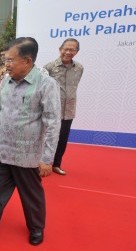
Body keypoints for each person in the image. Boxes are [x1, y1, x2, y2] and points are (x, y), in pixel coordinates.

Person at [0, 37, 61, 245]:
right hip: (3, 150)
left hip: (27, 154)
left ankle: (36, 229)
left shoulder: (46, 84)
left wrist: (47, 158)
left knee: (31, 195)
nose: (6, 65)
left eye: (10, 60)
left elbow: (53, 123)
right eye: (6, 60)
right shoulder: (6, 80)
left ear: (27, 61)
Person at [44, 38, 84, 176]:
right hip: (52, 110)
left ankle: (56, 164)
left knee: (63, 138)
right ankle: (43, 163)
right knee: (47, 137)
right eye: (65, 49)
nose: (68, 52)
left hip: (68, 110)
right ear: (60, 49)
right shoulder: (49, 67)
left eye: (72, 49)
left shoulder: (79, 68)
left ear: (76, 52)